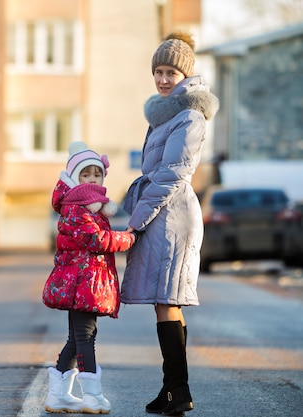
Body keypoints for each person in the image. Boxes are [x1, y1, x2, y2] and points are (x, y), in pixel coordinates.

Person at [121, 32, 219, 416]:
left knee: (168, 300)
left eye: (172, 72)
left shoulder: (189, 116)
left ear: (186, 75)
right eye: (158, 71)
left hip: (172, 216)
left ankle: (177, 389)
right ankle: (172, 389)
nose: (163, 79)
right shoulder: (166, 114)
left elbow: (172, 173)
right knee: (167, 302)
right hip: (164, 213)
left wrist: (136, 222)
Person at [43, 141, 137, 414]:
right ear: (75, 178)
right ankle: (92, 397)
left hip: (84, 282)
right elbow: (95, 240)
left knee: (77, 338)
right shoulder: (76, 208)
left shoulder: (89, 207)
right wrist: (128, 238)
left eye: (97, 174)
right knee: (86, 337)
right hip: (80, 283)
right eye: (86, 175)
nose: (92, 179)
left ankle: (57, 395)